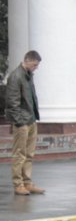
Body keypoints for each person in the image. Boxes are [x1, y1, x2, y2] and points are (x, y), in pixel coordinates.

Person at [5, 50, 45, 195]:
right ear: (27, 60)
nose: (36, 68)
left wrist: (33, 118)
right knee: (19, 154)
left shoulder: (28, 75)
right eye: (35, 65)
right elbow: (12, 103)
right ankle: (18, 184)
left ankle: (27, 183)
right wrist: (20, 122)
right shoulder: (16, 76)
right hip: (22, 122)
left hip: (31, 119)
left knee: (29, 154)